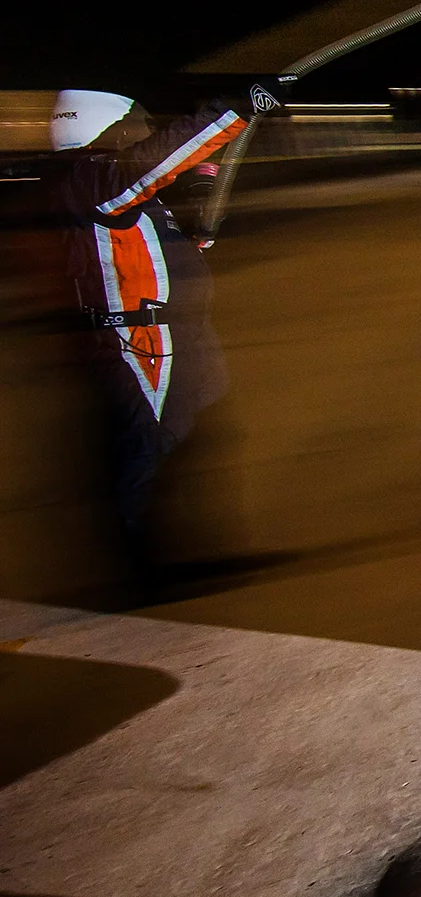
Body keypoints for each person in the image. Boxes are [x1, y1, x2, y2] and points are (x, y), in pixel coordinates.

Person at [48, 84, 277, 580]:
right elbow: (162, 157)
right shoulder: (95, 178)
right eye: (135, 122)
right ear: (101, 126)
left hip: (181, 337)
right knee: (151, 454)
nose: (144, 131)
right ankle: (139, 576)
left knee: (202, 438)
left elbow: (142, 245)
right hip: (143, 347)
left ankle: (201, 553)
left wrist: (188, 236)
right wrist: (237, 107)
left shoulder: (102, 184)